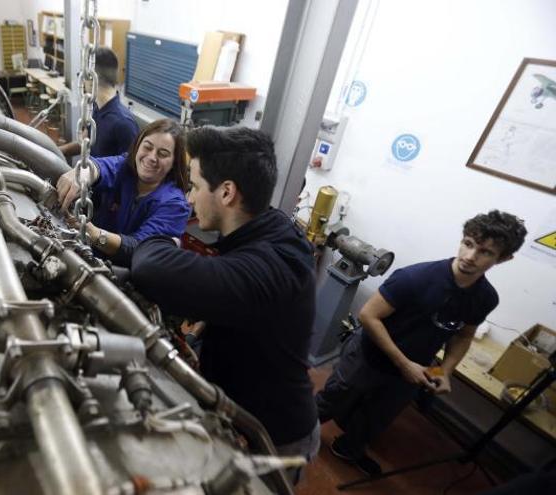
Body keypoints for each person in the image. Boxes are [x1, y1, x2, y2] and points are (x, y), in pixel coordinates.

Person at [128, 125, 321, 477]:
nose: (189, 199)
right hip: (240, 403)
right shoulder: (268, 224)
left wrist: (167, 240)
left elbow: (150, 267)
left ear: (227, 192)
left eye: (196, 187)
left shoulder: (270, 266)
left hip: (272, 436)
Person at [315, 210, 527, 476]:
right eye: (469, 244)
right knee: (332, 400)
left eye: (485, 252)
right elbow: (369, 316)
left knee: (377, 417)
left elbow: (463, 335)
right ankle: (296, 434)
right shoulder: (417, 278)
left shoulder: (485, 298)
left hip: (413, 370)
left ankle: (349, 448)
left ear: (504, 258)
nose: (470, 257)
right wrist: (404, 364)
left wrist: (444, 372)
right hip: (369, 357)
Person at [56, 119, 190, 265]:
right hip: (88, 257)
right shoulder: (126, 169)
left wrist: (95, 234)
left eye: (162, 154)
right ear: (138, 146)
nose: (152, 157)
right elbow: (104, 167)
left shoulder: (175, 206)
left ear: (174, 162)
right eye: (147, 147)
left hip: (123, 279)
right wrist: (83, 172)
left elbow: (140, 248)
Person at [58, 47, 139, 158]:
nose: (81, 80)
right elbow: (85, 142)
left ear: (92, 79)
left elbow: (130, 169)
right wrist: (56, 152)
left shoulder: (124, 123)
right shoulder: (96, 109)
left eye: (82, 75)